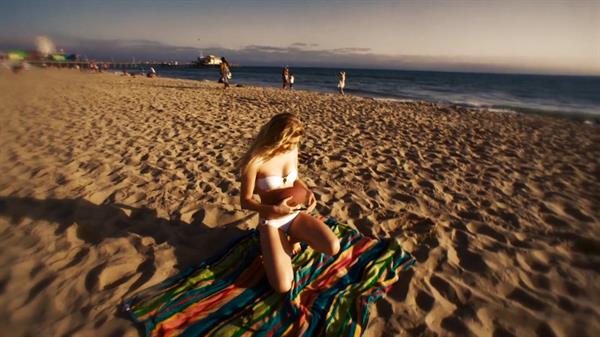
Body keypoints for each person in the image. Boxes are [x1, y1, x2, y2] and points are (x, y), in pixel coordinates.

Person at [239, 113, 340, 293]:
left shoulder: (292, 150)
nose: (293, 147)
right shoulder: (255, 161)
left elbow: (295, 180)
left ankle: (293, 238)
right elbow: (245, 201)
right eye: (289, 142)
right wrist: (274, 209)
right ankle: (272, 243)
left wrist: (308, 193)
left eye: (296, 143)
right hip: (272, 221)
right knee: (283, 286)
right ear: (277, 138)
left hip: (295, 215)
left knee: (333, 247)